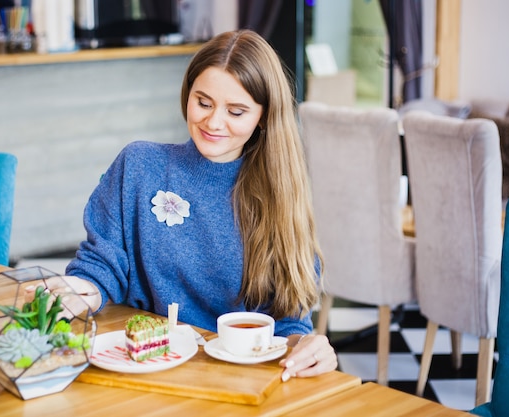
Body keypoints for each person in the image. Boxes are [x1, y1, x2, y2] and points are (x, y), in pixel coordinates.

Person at [63, 29, 338, 381]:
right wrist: (76, 292)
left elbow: (287, 320)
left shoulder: (280, 196)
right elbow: (101, 267)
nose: (213, 122)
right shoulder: (139, 166)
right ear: (187, 94)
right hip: (142, 368)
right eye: (203, 102)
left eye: (236, 111)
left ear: (264, 117)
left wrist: (306, 346)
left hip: (235, 379)